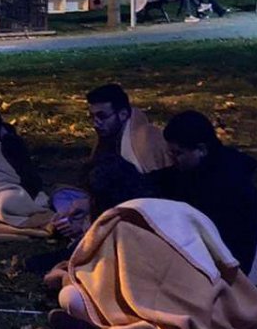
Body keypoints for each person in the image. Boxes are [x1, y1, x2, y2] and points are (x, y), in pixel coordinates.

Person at [149, 110, 257, 273]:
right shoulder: (195, 169)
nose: (173, 159)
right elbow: (167, 178)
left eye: (178, 153)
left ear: (201, 150)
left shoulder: (227, 183)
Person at [54, 84, 170, 238]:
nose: (96, 123)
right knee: (63, 196)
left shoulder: (145, 139)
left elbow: (146, 194)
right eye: (93, 117)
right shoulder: (106, 137)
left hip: (133, 205)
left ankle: (84, 227)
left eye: (102, 116)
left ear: (122, 114)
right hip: (103, 200)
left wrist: (91, 207)